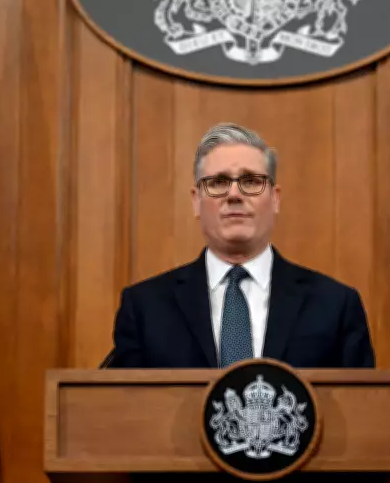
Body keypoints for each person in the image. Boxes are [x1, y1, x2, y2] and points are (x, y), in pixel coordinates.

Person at [109, 122, 375, 369]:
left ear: (275, 198)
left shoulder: (335, 305)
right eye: (218, 182)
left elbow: (362, 401)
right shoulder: (145, 308)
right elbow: (125, 402)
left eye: (250, 182)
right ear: (196, 201)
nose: (234, 194)